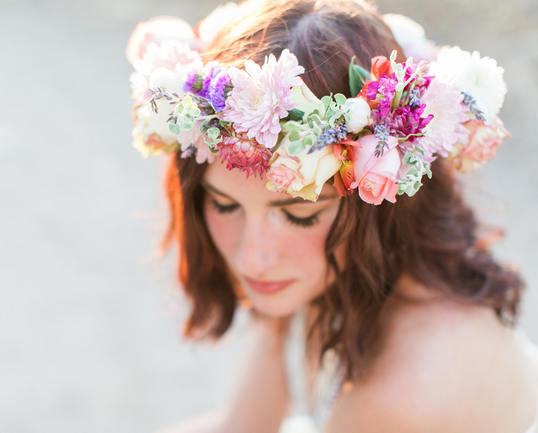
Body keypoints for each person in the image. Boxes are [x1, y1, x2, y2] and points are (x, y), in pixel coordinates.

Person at [126, 0, 538, 432]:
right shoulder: (326, 273)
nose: (253, 257)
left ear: (381, 201)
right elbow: (244, 426)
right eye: (224, 205)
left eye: (300, 216)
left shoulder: (401, 395)